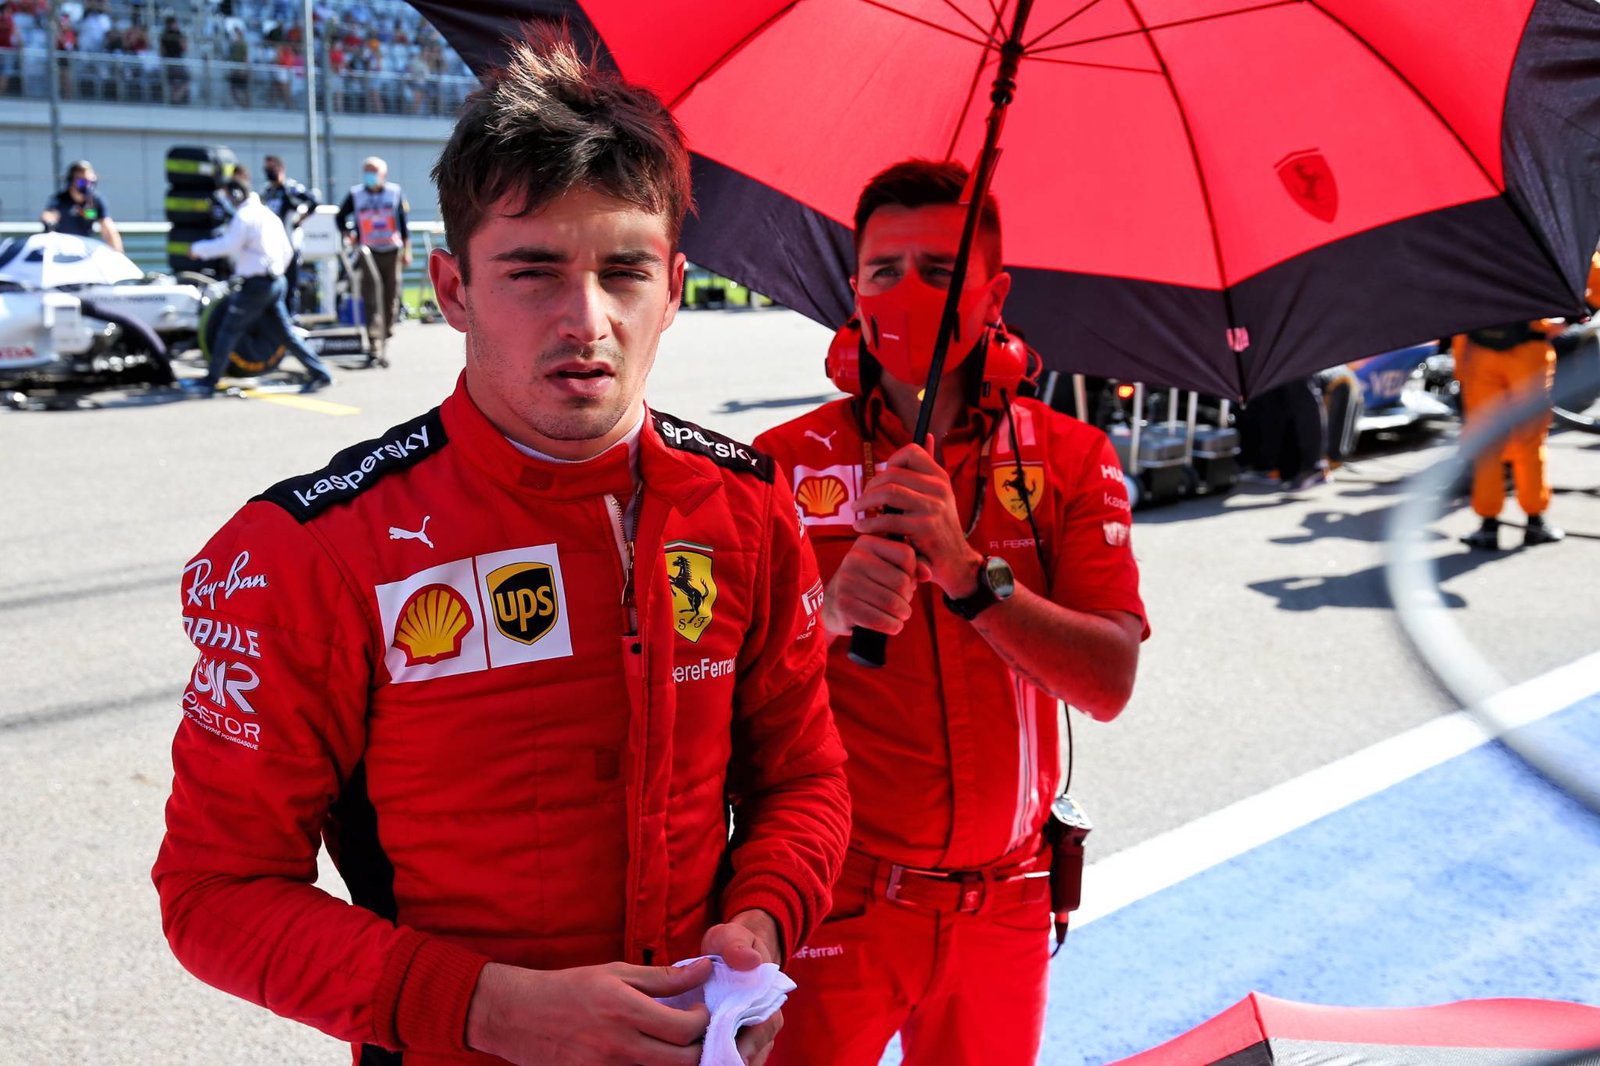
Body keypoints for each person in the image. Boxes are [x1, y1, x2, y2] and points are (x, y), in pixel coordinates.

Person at [152, 29, 850, 1066]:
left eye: (625, 271)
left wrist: (761, 928)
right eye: (533, 271)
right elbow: (213, 891)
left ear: (675, 287)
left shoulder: (747, 507)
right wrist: (479, 1006)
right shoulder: (315, 548)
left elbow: (804, 781)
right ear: (452, 288)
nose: (586, 318)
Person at [754, 159, 1148, 1066]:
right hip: (837, 898)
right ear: (854, 289)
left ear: (993, 293)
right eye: (884, 271)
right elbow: (712, 690)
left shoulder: (1071, 457)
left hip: (1009, 901)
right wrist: (827, 610)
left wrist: (970, 576)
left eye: (940, 271)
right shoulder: (774, 463)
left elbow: (1109, 682)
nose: (908, 293)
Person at [178, 169, 334, 395]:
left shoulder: (245, 216)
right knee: (285, 334)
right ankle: (321, 373)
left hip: (258, 284)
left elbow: (227, 245)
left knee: (228, 329)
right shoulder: (268, 215)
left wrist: (197, 249)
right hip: (275, 281)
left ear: (236, 195)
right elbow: (287, 250)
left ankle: (211, 380)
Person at [1454, 318, 1568, 550]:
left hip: (1480, 351)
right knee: (1529, 442)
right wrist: (1571, 319)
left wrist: (1460, 368)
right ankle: (1535, 522)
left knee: (1486, 444)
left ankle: (1489, 525)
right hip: (1527, 351)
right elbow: (1592, 292)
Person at [335, 154, 411, 354]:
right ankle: (373, 339)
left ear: (383, 174)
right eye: (367, 171)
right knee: (370, 295)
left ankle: (386, 330)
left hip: (391, 249)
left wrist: (407, 250)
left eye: (373, 171)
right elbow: (340, 217)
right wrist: (348, 234)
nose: (370, 175)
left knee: (390, 293)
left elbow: (403, 225)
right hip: (368, 251)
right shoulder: (356, 194)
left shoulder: (394, 192)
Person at [260, 153, 318, 315]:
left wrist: (300, 219)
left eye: (271, 168)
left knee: (290, 283)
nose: (268, 171)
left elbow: (313, 202)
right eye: (266, 168)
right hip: (270, 245)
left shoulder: (291, 188)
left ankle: (292, 316)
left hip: (290, 243)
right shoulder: (267, 191)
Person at [40, 159, 122, 251]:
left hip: (83, 247)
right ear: (71, 181)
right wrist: (49, 221)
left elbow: (108, 228)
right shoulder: (60, 199)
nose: (87, 185)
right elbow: (49, 214)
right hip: (61, 248)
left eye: (90, 182)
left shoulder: (96, 200)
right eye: (82, 182)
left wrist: (118, 254)